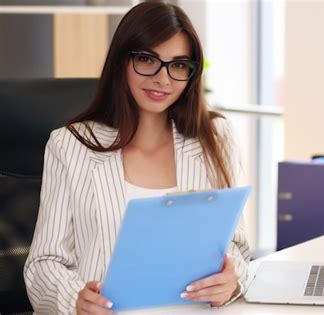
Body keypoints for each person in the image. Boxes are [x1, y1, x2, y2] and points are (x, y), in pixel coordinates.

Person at [23, 1, 250, 314]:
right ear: (122, 61)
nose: (163, 79)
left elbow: (236, 247)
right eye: (147, 59)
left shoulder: (215, 137)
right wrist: (74, 299)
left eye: (179, 65)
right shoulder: (71, 145)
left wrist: (230, 281)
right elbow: (43, 264)